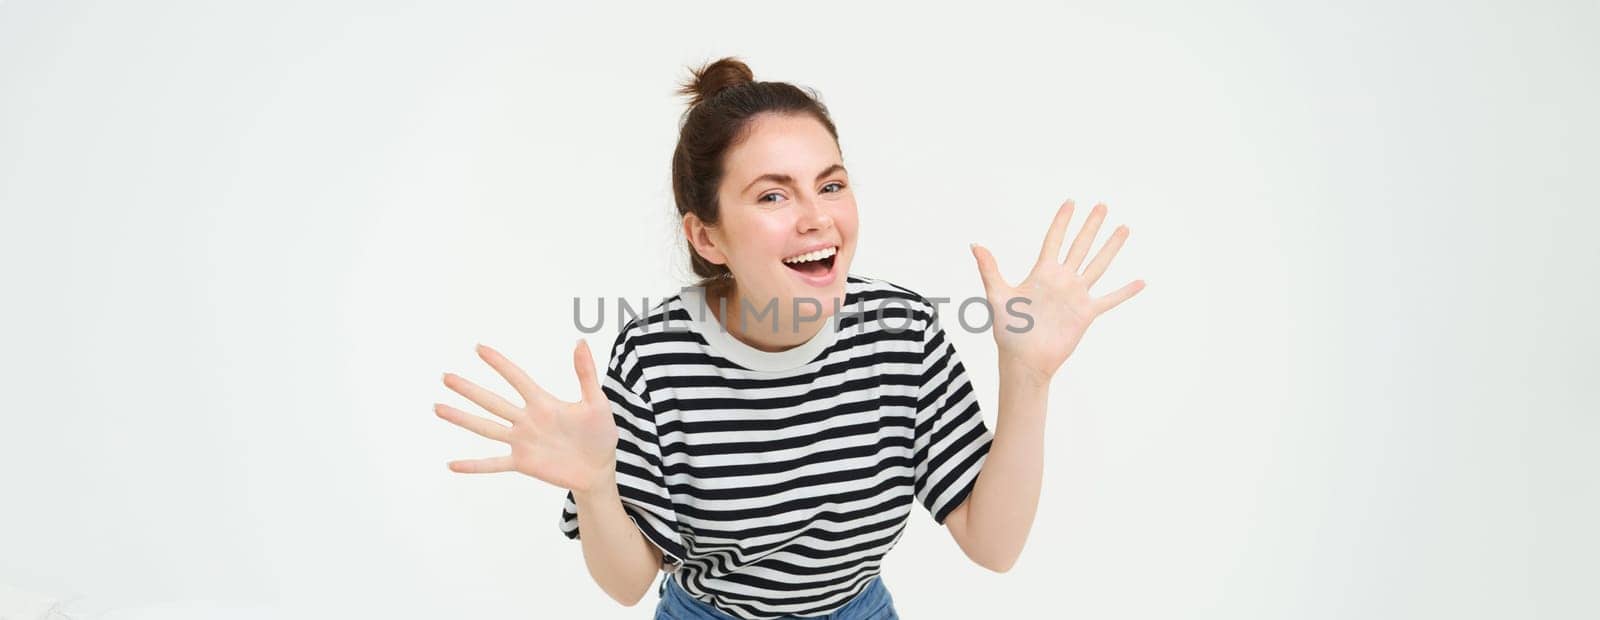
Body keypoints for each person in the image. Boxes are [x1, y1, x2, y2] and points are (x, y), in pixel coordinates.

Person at [434, 57, 1146, 620]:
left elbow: (993, 546)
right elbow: (626, 587)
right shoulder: (655, 361)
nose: (817, 217)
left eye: (830, 185)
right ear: (707, 235)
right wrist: (595, 487)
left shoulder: (903, 336)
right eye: (773, 195)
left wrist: (1027, 375)